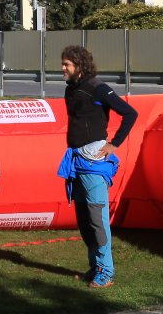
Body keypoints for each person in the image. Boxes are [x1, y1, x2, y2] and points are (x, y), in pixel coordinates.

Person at [58, 45, 137, 289]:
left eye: (67, 64)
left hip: (94, 162)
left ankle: (106, 272)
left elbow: (130, 113)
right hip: (76, 161)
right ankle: (95, 267)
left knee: (97, 219)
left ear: (79, 66)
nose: (62, 68)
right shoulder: (71, 89)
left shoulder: (97, 87)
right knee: (84, 221)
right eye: (63, 64)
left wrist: (114, 144)